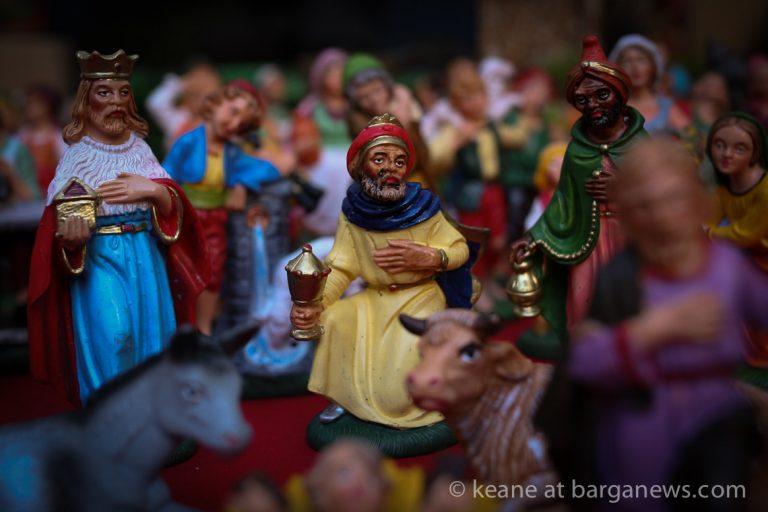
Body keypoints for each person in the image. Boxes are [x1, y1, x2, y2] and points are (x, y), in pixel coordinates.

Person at [566, 138, 766, 512]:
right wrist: (652, 329)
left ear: (697, 202)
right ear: (628, 215)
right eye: (644, 205)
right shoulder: (621, 277)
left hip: (717, 411)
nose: (661, 215)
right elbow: (583, 362)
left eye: (674, 199)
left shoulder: (727, 265)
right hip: (644, 410)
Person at [28, 50, 209, 404]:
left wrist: (154, 191)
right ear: (86, 100)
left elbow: (172, 204)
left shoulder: (139, 149)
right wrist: (71, 238)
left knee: (152, 335)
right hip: (99, 256)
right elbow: (58, 220)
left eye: (123, 92)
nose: (116, 102)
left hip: (144, 253)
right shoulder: (77, 156)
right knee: (115, 334)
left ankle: (151, 411)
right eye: (104, 93)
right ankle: (109, 410)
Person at [290, 113, 471, 428]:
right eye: (379, 159)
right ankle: (344, 398)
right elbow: (342, 266)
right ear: (360, 166)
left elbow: (459, 249)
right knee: (335, 318)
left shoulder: (425, 208)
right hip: (374, 297)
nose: (391, 168)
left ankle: (409, 401)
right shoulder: (353, 213)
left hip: (420, 297)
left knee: (397, 389)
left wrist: (431, 257)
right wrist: (316, 304)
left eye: (400, 161)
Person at [509, 35, 648, 359]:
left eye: (602, 95)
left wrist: (623, 188)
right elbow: (563, 201)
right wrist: (533, 238)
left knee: (632, 304)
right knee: (583, 306)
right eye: (582, 100)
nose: (593, 105)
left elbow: (656, 190)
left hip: (631, 240)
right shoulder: (577, 151)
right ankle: (584, 363)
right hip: (588, 242)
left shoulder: (642, 145)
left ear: (620, 94)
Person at [163, 84, 280, 335]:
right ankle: (181, 327)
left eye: (241, 123)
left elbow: (267, 168)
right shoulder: (188, 142)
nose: (234, 124)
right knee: (182, 271)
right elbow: (166, 175)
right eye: (232, 112)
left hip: (215, 219)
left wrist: (241, 182)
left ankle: (204, 328)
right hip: (186, 218)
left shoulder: (232, 153)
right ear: (214, 105)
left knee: (213, 272)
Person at [705, 112, 768, 369]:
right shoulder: (725, 188)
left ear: (755, 153)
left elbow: (744, 234)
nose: (727, 154)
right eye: (719, 145)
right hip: (748, 259)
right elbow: (708, 218)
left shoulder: (765, 191)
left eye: (739, 148)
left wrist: (708, 233)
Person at [609, 34, 689, 137]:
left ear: (653, 66)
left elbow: (693, 139)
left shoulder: (666, 106)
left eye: (641, 60)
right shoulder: (613, 107)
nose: (635, 67)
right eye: (627, 61)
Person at [18, 84, 67, 196]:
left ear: (48, 106)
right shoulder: (22, 135)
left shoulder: (57, 136)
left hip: (51, 193)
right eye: (28, 103)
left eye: (35, 103)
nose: (29, 107)